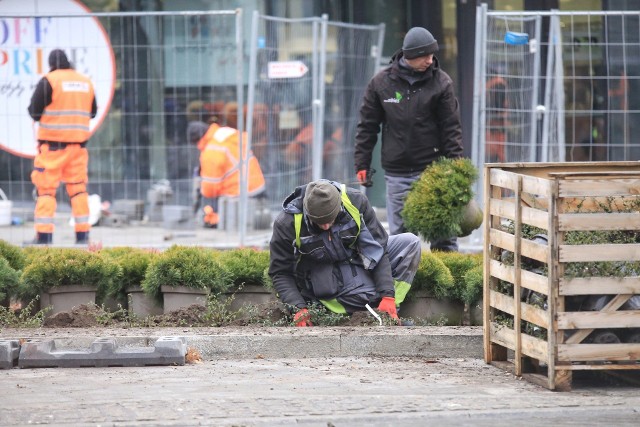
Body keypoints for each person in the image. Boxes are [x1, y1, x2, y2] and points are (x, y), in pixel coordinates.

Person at [354, 27, 463, 251]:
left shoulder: (441, 83)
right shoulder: (381, 84)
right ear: (409, 55)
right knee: (401, 238)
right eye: (424, 55)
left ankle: (447, 281)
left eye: (432, 55)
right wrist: (362, 163)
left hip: (434, 171)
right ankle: (405, 284)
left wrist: (456, 168)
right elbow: (367, 126)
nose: (429, 60)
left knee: (444, 235)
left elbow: (451, 129)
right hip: (398, 172)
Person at [268, 179, 421, 326]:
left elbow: (379, 250)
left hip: (355, 259)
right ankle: (368, 312)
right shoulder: (287, 223)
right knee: (365, 294)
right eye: (319, 223)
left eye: (330, 220)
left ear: (339, 205)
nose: (326, 226)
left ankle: (389, 312)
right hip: (323, 277)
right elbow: (280, 272)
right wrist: (297, 307)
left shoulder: (356, 201)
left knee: (410, 243)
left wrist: (388, 295)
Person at [27, 49, 97, 245]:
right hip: (78, 149)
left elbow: (34, 112)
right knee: (78, 190)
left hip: (52, 148)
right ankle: (83, 236)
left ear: (51, 64)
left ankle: (44, 237)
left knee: (46, 191)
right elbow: (92, 112)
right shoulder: (85, 82)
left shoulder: (50, 80)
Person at [195, 103, 266, 228]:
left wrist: (200, 187)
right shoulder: (225, 134)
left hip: (239, 193)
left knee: (209, 201)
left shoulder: (211, 150)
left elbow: (210, 190)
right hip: (257, 186)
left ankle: (212, 221)